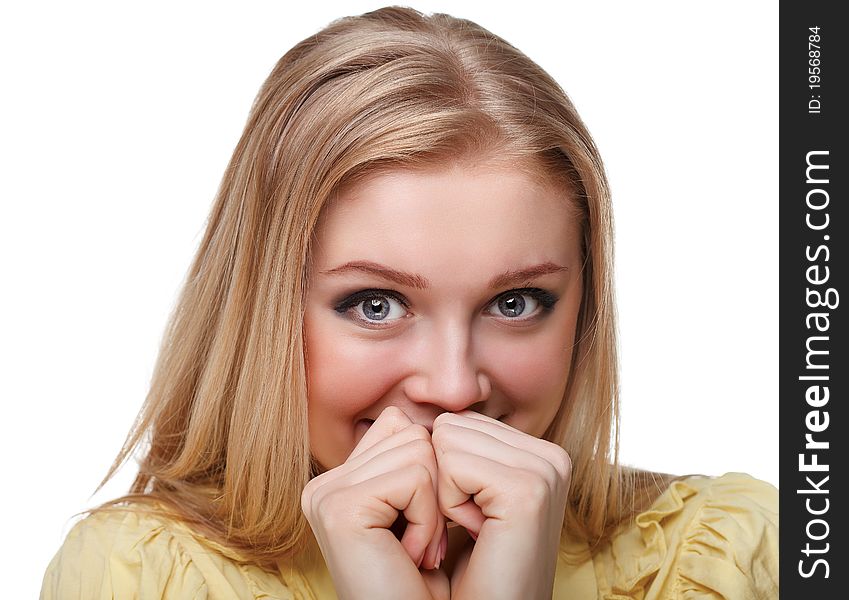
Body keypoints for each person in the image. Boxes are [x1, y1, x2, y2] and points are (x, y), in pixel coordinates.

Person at [41, 6, 778, 599]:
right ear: (264, 307)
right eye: (374, 304)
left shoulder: (732, 559)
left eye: (516, 302)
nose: (453, 386)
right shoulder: (139, 577)